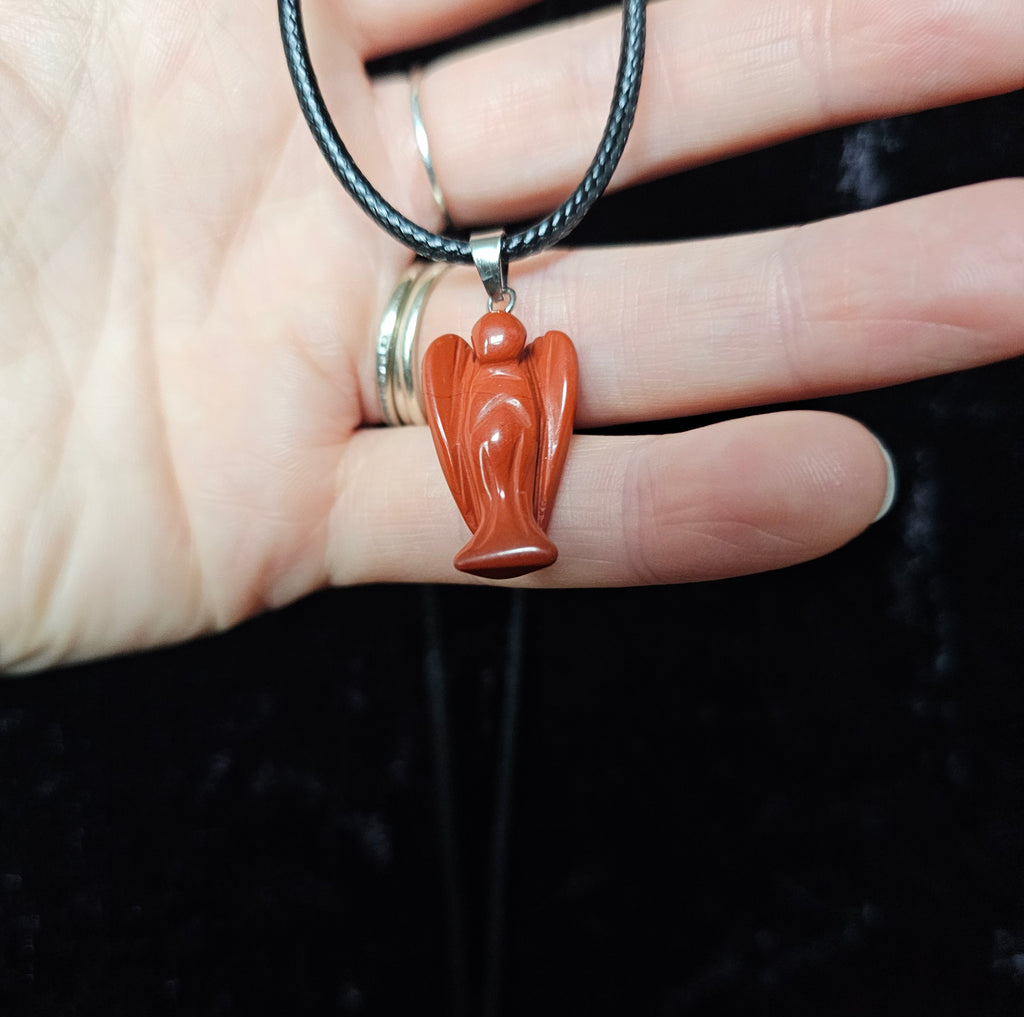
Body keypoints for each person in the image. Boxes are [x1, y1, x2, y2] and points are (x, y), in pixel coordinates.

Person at [1, 0, 1021, 671]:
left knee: (518, 473)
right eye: (487, 350)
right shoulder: (454, 367)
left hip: (510, 475)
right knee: (496, 474)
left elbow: (541, 408)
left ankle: (508, 516)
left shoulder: (539, 367)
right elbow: (466, 422)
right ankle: (503, 517)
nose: (494, 350)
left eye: (501, 348)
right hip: (489, 481)